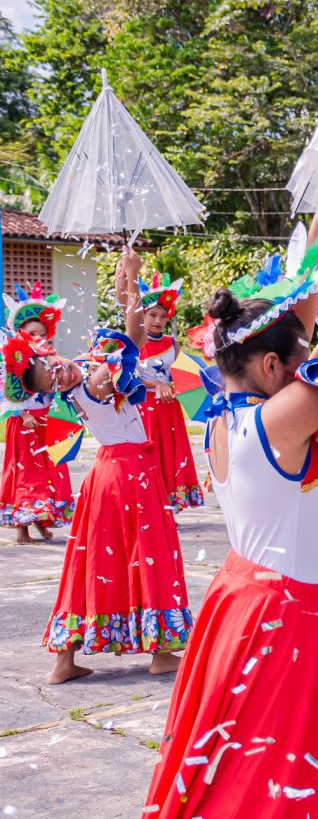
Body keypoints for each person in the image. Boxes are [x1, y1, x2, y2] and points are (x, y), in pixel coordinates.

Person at [140, 186, 318, 819]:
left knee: (244, 760)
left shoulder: (223, 411)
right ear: (274, 366)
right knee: (273, 772)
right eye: (302, 359)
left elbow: (288, 321)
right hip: (283, 612)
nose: (312, 362)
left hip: (247, 597)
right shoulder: (274, 425)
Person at [26, 250, 191, 684]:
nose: (59, 372)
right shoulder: (95, 383)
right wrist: (133, 277)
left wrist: (123, 281)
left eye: (54, 366)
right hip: (130, 475)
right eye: (51, 378)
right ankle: (161, 652)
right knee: (148, 553)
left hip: (108, 474)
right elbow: (132, 335)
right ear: (50, 390)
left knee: (90, 557)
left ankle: (65, 660)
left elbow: (122, 335)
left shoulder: (83, 376)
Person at [0, 284, 75, 542]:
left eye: (43, 334)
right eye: (33, 334)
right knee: (27, 472)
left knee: (50, 471)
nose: (38, 338)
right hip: (25, 423)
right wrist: (23, 414)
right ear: (19, 333)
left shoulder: (48, 356)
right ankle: (23, 525)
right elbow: (6, 391)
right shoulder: (12, 357)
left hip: (47, 421)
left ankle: (43, 521)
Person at [137, 274, 204, 511]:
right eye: (152, 315)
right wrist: (157, 386)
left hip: (169, 408)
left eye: (163, 316)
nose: (158, 320)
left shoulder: (172, 342)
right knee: (150, 455)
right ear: (142, 315)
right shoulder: (134, 342)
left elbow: (177, 373)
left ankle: (168, 505)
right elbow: (127, 377)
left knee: (169, 455)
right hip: (144, 408)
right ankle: (150, 505)